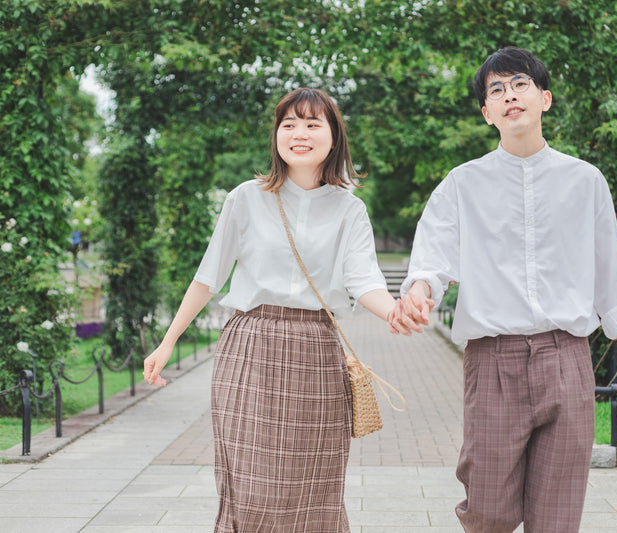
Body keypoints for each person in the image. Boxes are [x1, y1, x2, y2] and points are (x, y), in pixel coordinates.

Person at [393, 47, 617, 533]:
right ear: (487, 113)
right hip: (493, 362)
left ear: (544, 98)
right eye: (497, 89)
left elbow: (612, 279)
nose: (510, 95)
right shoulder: (461, 185)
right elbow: (432, 259)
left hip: (565, 359)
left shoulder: (586, 181)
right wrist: (421, 291)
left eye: (520, 84)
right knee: (487, 512)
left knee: (556, 517)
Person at [143, 88, 415, 533]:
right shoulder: (246, 198)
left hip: (317, 351)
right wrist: (167, 342)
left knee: (315, 485)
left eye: (312, 124)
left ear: (333, 137)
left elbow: (364, 280)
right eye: (288, 124)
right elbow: (208, 278)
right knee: (249, 484)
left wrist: (394, 312)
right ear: (276, 136)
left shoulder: (350, 209)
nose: (298, 133)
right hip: (250, 345)